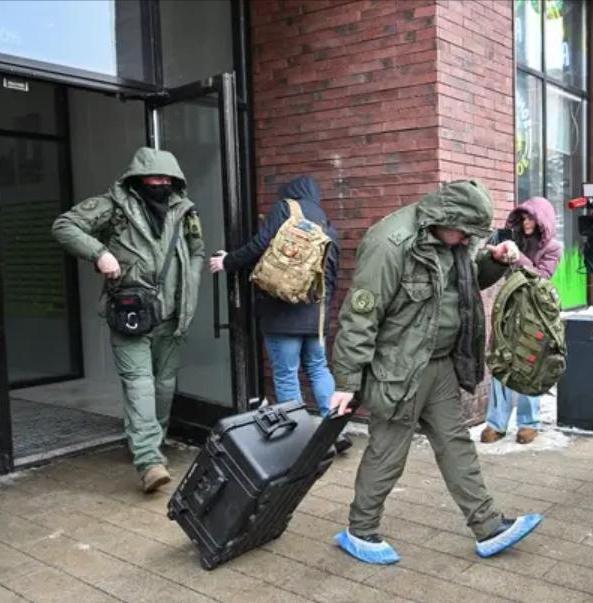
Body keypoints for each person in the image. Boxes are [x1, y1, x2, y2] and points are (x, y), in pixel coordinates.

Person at [328, 180, 543, 564]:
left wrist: (495, 260)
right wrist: (346, 380)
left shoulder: (452, 239)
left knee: (456, 443)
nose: (468, 241)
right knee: (387, 453)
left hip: (439, 364)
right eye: (465, 232)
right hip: (398, 370)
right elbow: (360, 316)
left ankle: (488, 525)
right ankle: (360, 530)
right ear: (445, 218)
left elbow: (466, 280)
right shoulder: (390, 244)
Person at [51, 147, 204, 493]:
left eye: (167, 178)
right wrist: (100, 253)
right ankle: (149, 461)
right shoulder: (113, 206)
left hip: (172, 316)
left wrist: (190, 287)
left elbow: (197, 251)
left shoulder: (185, 210)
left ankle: (152, 443)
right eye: (154, 177)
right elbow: (64, 225)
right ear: (137, 179)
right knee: (139, 384)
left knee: (164, 385)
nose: (161, 183)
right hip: (130, 313)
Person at [208, 176, 350, 451]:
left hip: (281, 312)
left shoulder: (287, 209)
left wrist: (228, 261)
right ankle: (333, 430)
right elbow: (331, 277)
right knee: (318, 367)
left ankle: (298, 439)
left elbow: (259, 245)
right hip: (316, 314)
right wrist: (323, 311)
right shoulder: (326, 224)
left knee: (286, 374)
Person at [480, 196, 562, 445]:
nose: (526, 223)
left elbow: (541, 278)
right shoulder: (514, 238)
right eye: (523, 218)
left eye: (531, 219)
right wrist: (497, 251)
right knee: (501, 361)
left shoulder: (553, 247)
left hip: (536, 312)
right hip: (509, 308)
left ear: (542, 221)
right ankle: (496, 423)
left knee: (530, 363)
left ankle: (529, 423)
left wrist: (516, 257)